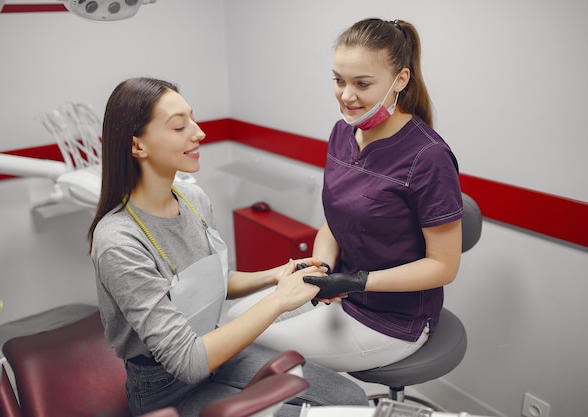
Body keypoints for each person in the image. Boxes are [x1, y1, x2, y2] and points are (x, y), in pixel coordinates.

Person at [86, 77, 368, 417]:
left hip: (219, 351)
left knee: (351, 400)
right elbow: (186, 362)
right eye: (179, 127)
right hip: (165, 387)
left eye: (192, 118)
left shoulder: (193, 200)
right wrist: (279, 301)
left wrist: (277, 275)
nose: (199, 132)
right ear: (137, 146)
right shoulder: (118, 241)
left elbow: (213, 280)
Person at [227, 18, 464, 372]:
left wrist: (358, 282)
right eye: (339, 80)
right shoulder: (342, 133)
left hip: (391, 319)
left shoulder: (428, 157)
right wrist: (322, 269)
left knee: (248, 341)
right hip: (339, 292)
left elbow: (444, 266)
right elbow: (336, 219)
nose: (346, 96)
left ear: (400, 80)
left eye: (362, 84)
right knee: (234, 317)